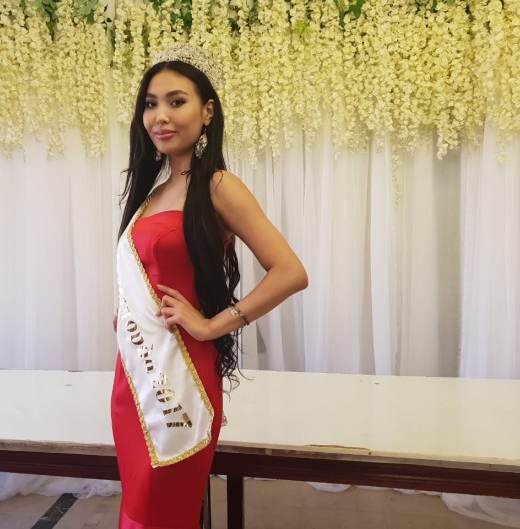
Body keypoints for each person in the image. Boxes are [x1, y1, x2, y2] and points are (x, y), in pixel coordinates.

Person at [111, 43, 308, 529]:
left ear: (207, 112)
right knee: (139, 504)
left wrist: (209, 326)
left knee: (163, 507)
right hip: (135, 375)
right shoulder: (152, 194)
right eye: (151, 104)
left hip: (182, 375)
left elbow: (290, 271)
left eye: (176, 101)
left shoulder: (218, 186)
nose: (160, 115)